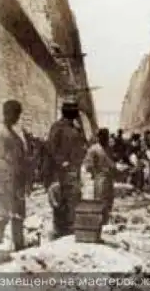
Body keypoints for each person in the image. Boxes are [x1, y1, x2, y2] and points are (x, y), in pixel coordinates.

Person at [0, 100, 27, 250]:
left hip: (16, 182)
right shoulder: (0, 134)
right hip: (5, 182)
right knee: (3, 214)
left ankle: (19, 245)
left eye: (18, 114)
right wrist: (7, 182)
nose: (17, 117)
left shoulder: (14, 135)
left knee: (18, 214)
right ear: (6, 113)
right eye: (14, 114)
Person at [47, 97, 87, 238]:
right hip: (62, 171)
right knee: (60, 199)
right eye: (75, 111)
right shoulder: (57, 127)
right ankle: (60, 230)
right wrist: (61, 162)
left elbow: (83, 145)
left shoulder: (75, 128)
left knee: (74, 198)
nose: (77, 113)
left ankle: (70, 229)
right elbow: (51, 147)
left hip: (74, 170)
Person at [84, 128, 117, 226]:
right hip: (100, 177)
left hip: (109, 177)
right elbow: (88, 165)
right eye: (103, 137)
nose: (105, 139)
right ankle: (99, 221)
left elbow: (112, 161)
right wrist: (95, 173)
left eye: (106, 137)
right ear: (99, 137)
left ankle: (106, 220)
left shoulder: (109, 148)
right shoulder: (94, 149)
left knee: (109, 199)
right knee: (100, 199)